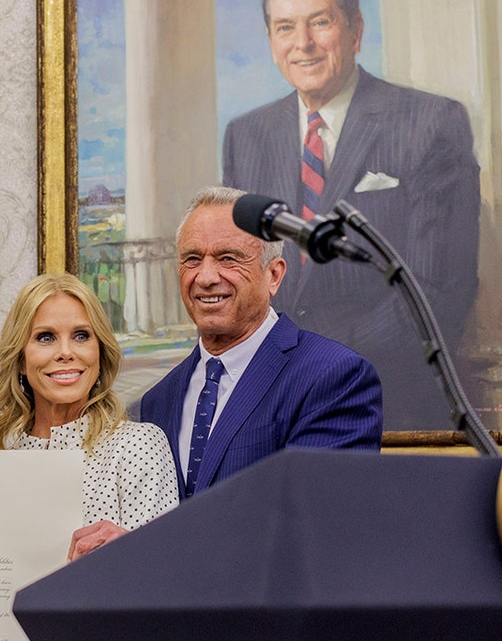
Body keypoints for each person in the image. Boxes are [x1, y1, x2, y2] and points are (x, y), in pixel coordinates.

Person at [222, 0, 482, 430]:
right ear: (271, 42)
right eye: (285, 27)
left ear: (356, 31)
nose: (302, 44)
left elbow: (437, 291)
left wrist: (305, 362)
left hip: (387, 406)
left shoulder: (430, 123)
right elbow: (241, 275)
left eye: (320, 22)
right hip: (270, 416)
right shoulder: (246, 136)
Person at [140, 186, 382, 500]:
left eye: (228, 258)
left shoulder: (334, 377)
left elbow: (318, 519)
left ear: (274, 275)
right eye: (192, 259)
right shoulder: (158, 401)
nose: (205, 276)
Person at [0, 273, 178, 562]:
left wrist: (129, 555)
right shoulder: (2, 456)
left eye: (81, 336)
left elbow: (163, 572)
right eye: (46, 337)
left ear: (100, 353)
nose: (65, 352)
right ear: (20, 361)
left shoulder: (138, 445)